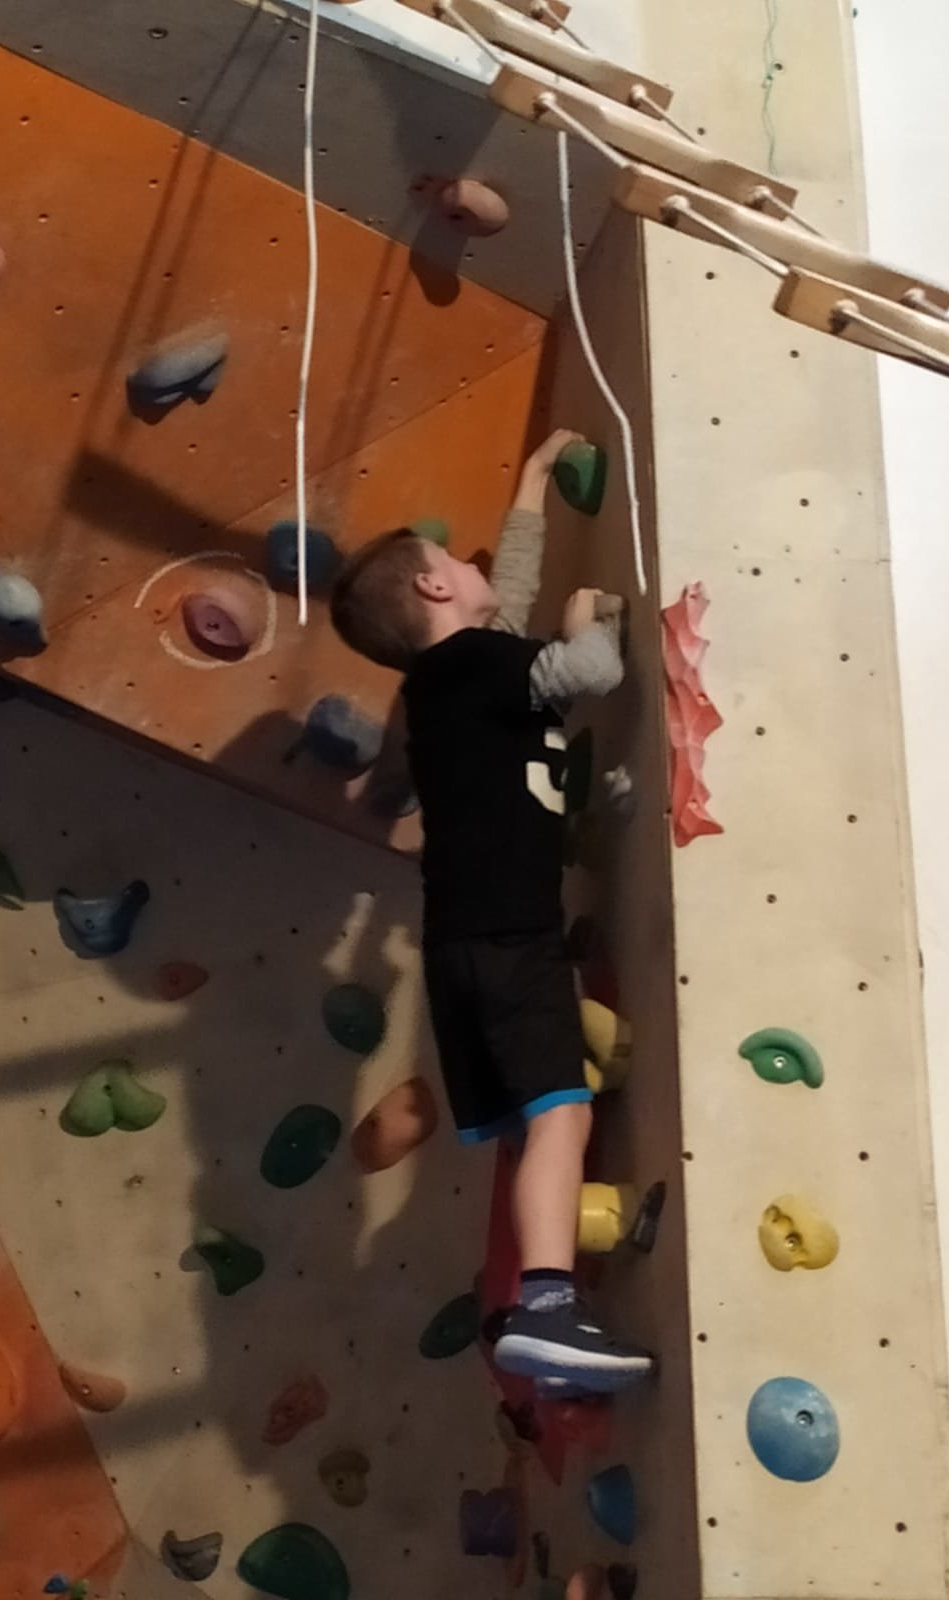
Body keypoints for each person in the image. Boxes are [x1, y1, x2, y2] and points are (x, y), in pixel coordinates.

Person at [330, 429, 652, 1390]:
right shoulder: (472, 668)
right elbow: (590, 672)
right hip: (507, 935)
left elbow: (504, 594)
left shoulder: (454, 680)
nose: (475, 568)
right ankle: (546, 1305)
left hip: (468, 943)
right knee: (561, 1118)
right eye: (452, 563)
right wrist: (591, 620)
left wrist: (534, 482)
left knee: (541, 1119)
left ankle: (537, 1306)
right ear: (436, 588)